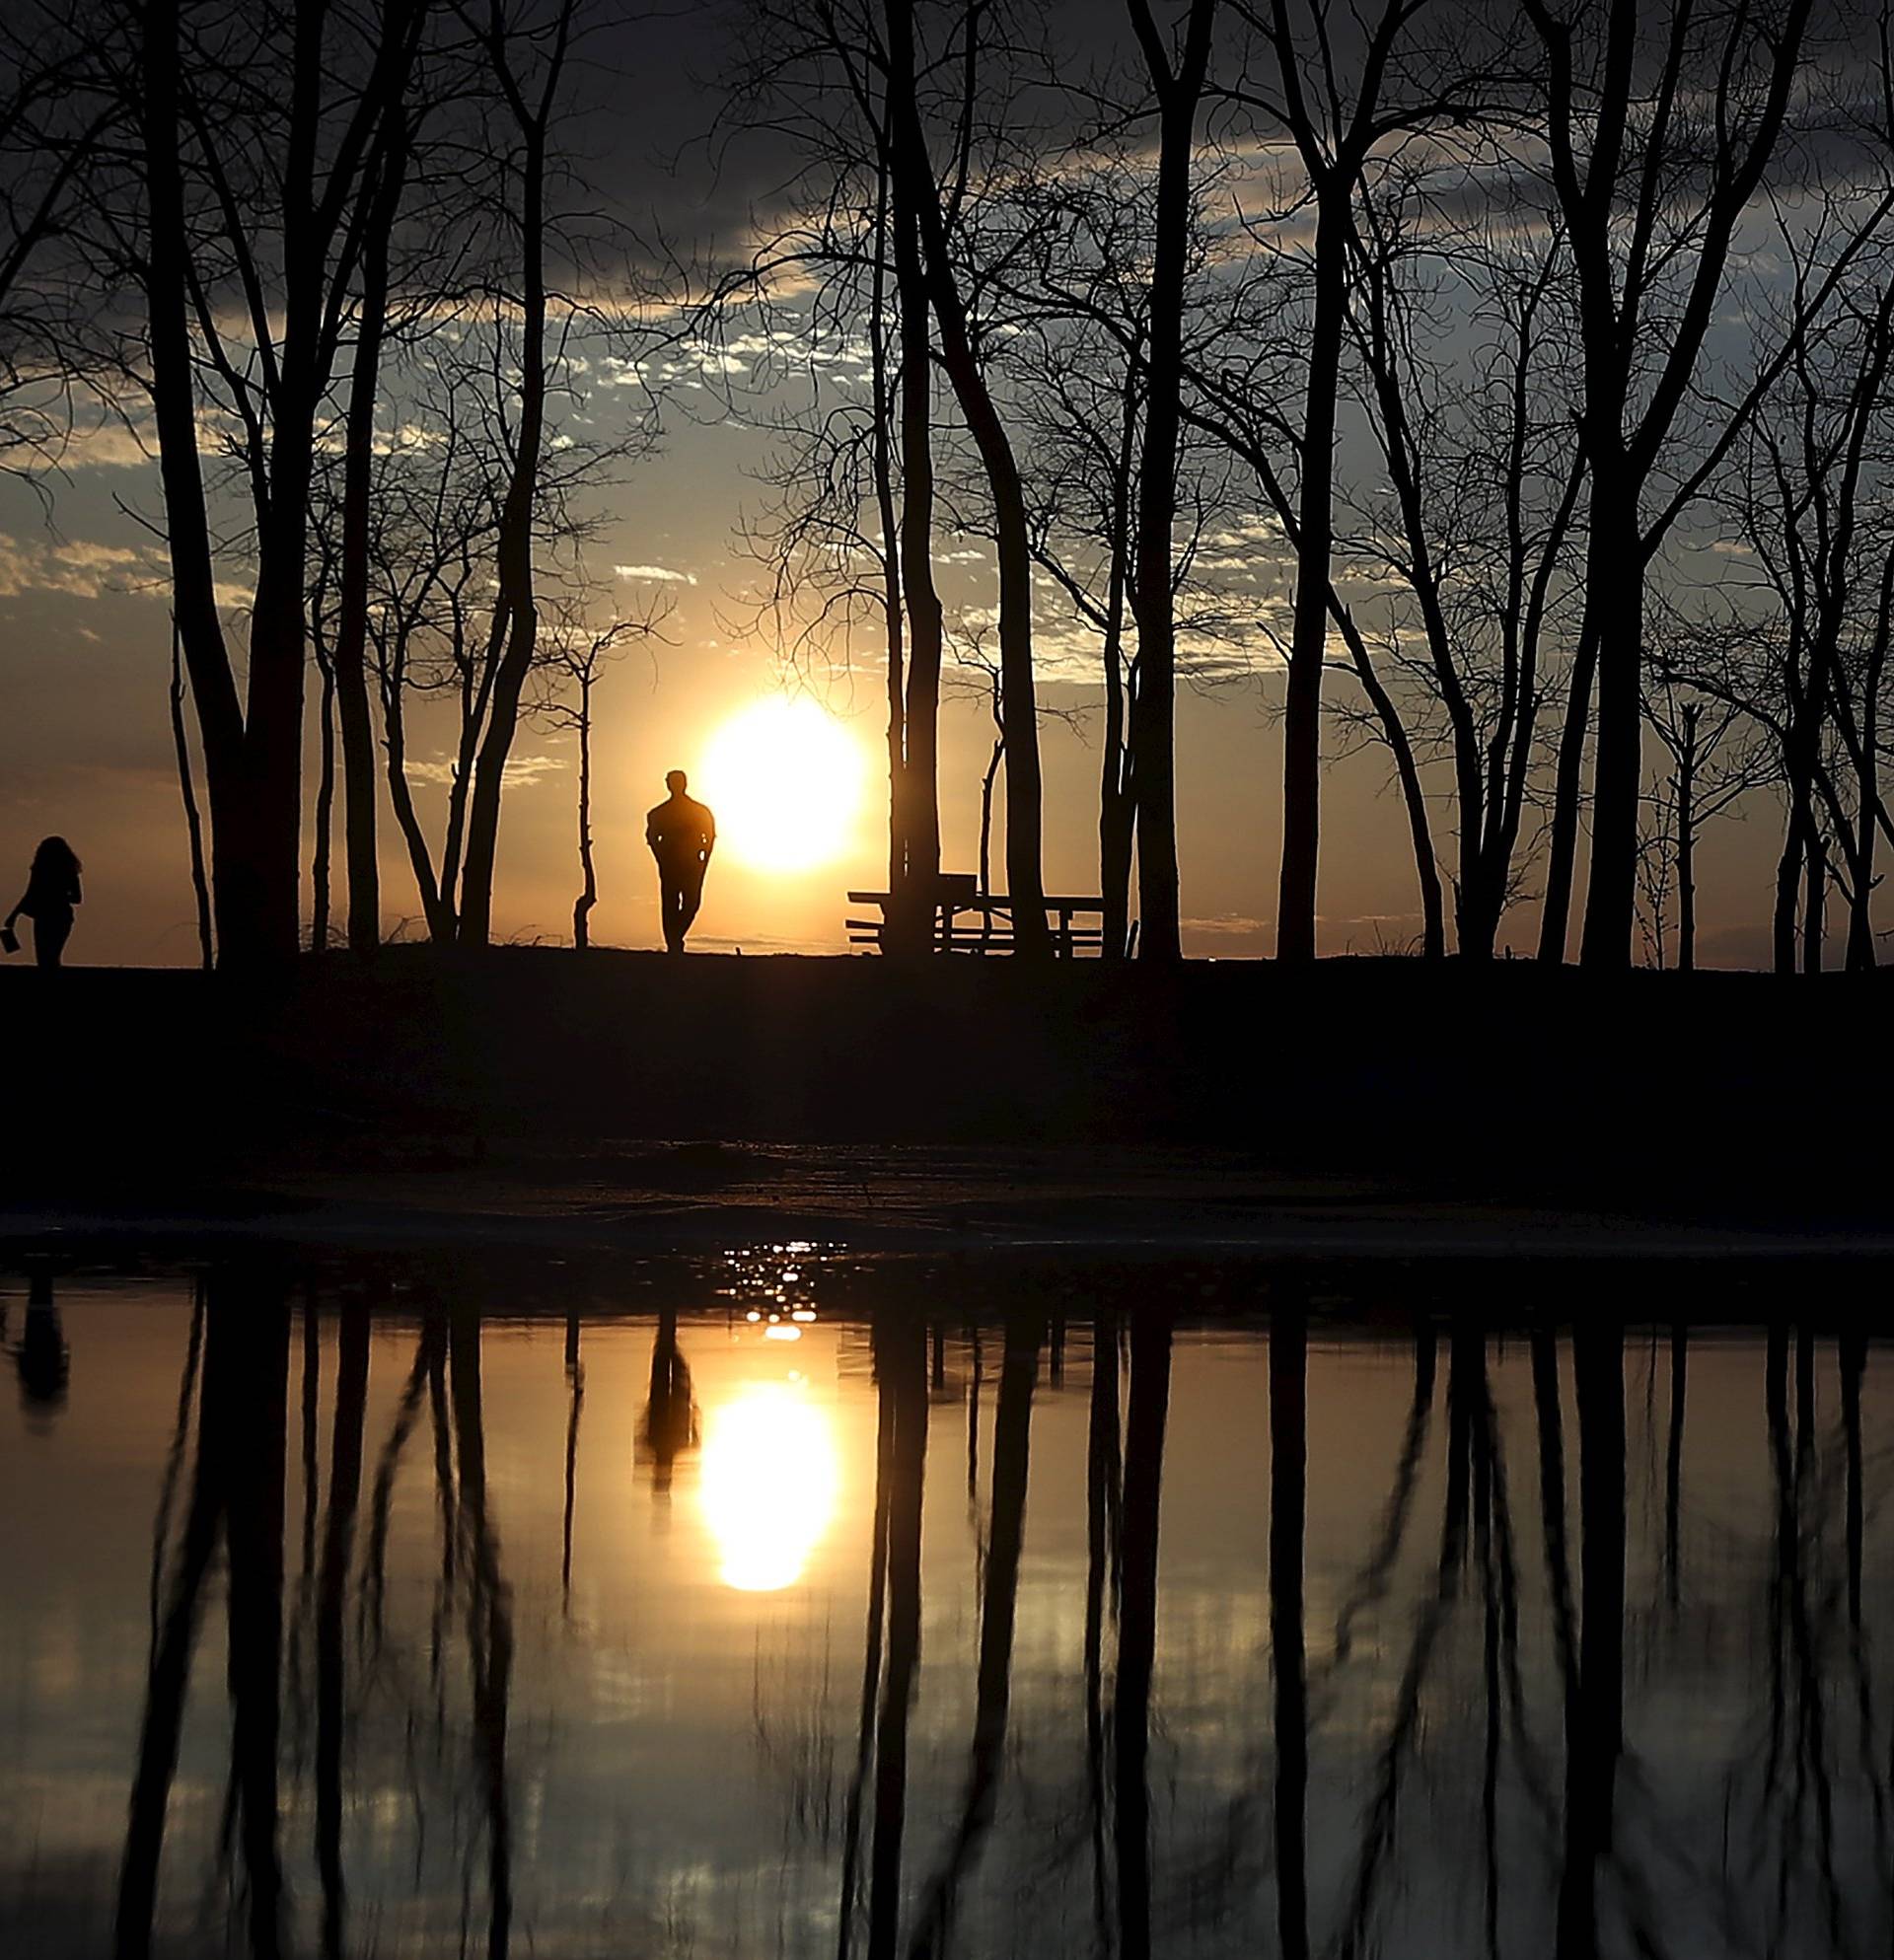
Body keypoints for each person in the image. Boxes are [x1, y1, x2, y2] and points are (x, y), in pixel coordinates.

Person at [646, 770, 715, 953]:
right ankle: (674, 944)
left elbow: (709, 837)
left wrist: (704, 861)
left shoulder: (700, 812)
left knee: (691, 903)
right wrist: (660, 858)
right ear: (667, 785)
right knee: (670, 904)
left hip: (692, 865)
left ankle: (675, 938)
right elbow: (652, 837)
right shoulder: (658, 813)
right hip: (670, 865)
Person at [4, 835, 82, 969]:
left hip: (45, 915)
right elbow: (77, 898)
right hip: (60, 916)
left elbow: (29, 894)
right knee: (52, 955)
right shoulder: (69, 870)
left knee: (44, 956)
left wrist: (14, 915)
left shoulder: (40, 870)